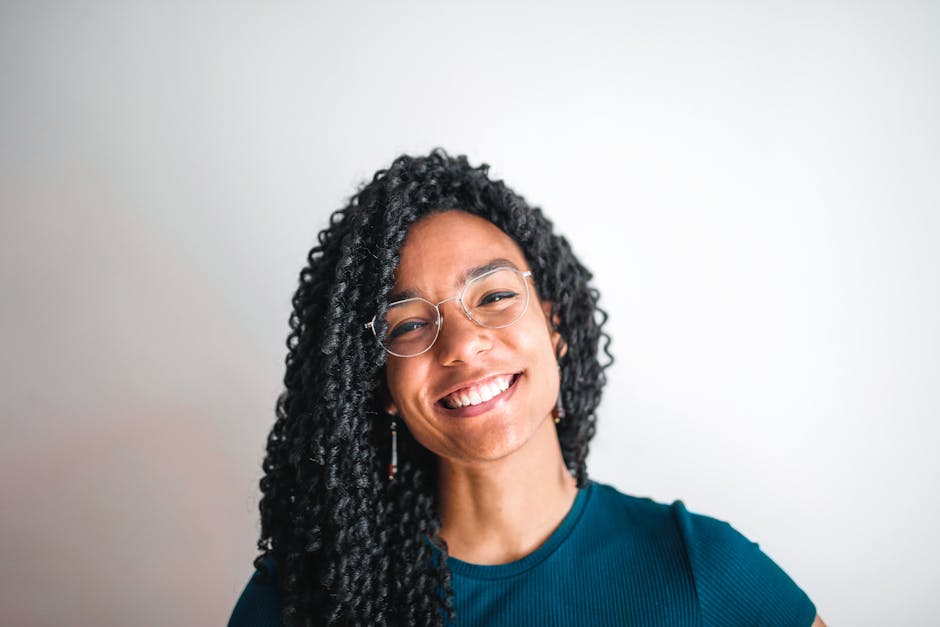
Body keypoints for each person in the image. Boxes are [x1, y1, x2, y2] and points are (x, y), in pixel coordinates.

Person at [229, 150, 825, 626]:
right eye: (409, 325)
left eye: (493, 297)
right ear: (379, 383)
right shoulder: (306, 599)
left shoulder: (699, 568)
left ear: (555, 323)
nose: (461, 343)